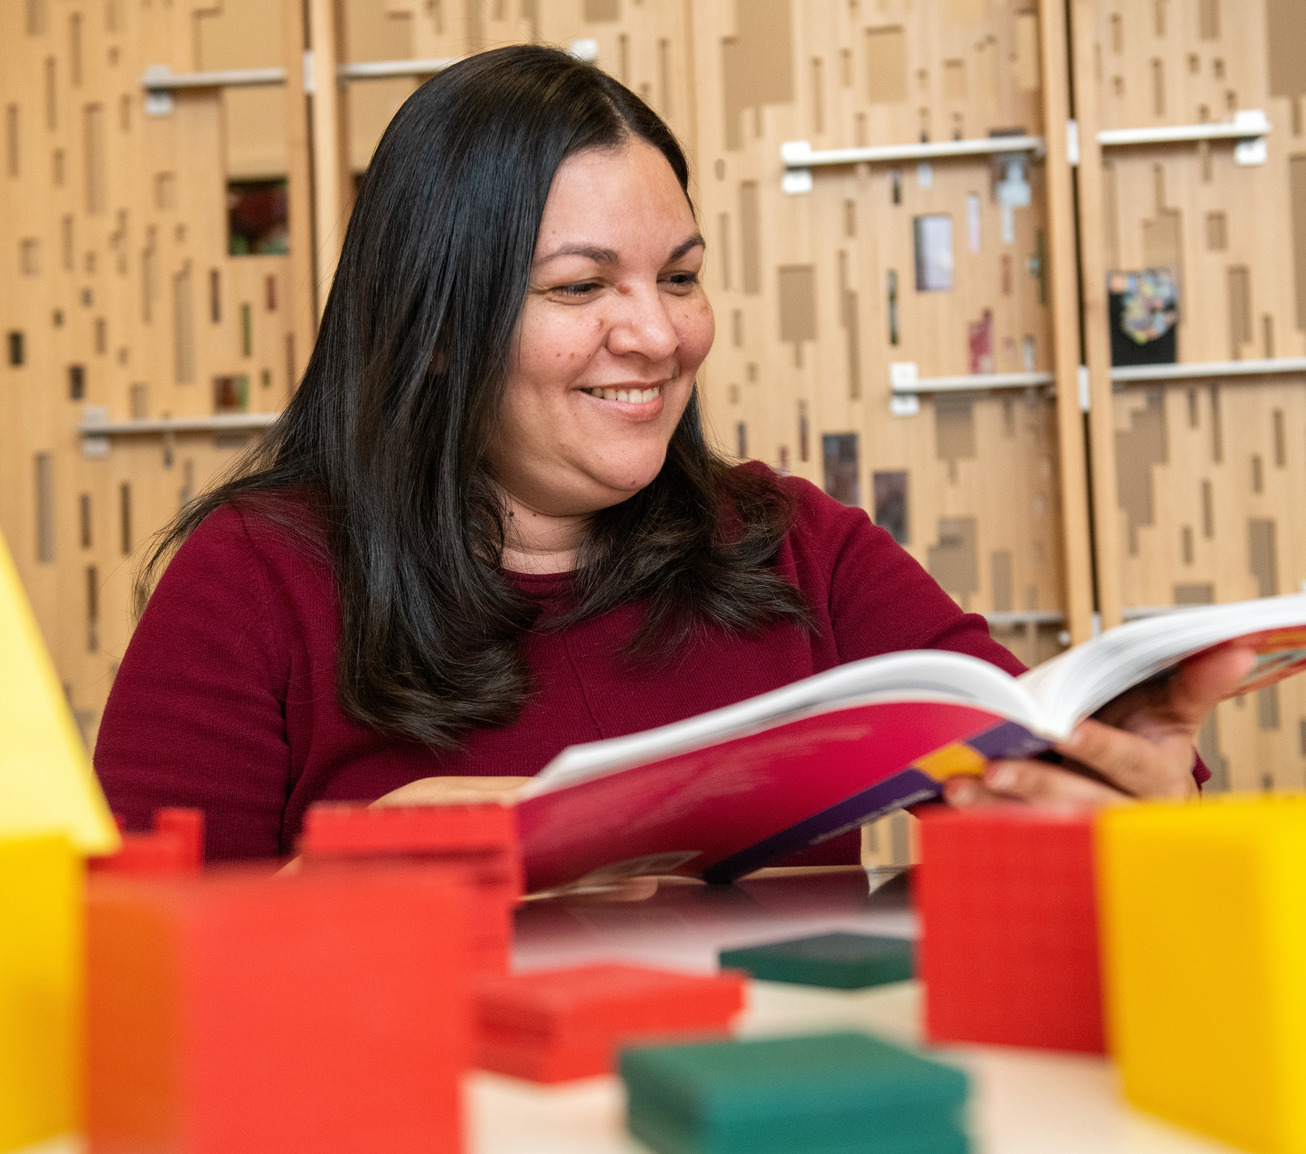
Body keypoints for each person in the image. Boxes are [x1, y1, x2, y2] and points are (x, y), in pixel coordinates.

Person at [93, 45, 1250, 863]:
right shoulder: (256, 578)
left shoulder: (793, 542)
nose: (658, 333)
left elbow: (1041, 790)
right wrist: (353, 885)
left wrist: (1124, 789)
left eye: (680, 276)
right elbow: (133, 984)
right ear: (436, 327)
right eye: (582, 285)